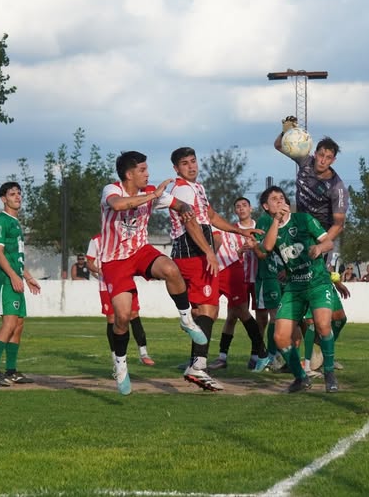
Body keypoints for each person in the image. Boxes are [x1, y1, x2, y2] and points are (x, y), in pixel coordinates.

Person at [100, 150, 207, 395]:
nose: (147, 174)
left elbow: (178, 203)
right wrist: (154, 195)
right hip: (114, 260)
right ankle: (120, 363)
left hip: (140, 251)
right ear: (129, 174)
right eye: (142, 170)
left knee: (171, 269)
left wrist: (184, 208)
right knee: (123, 318)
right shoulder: (111, 189)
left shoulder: (150, 192)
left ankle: (186, 319)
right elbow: (118, 205)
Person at [168, 147, 258, 392]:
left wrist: (238, 230)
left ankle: (197, 364)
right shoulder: (183, 188)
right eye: (185, 163)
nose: (191, 166)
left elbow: (210, 215)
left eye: (193, 161)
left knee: (201, 311)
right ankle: (197, 367)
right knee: (209, 309)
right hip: (193, 253)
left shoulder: (196, 187)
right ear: (176, 168)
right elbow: (191, 222)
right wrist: (209, 252)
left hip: (192, 252)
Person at [275, 117, 350, 373]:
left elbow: (338, 224)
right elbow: (279, 146)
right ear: (315, 152)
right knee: (307, 299)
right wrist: (286, 132)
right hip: (297, 233)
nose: (323, 160)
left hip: (319, 237)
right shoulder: (304, 161)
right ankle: (303, 358)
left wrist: (322, 245)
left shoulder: (337, 187)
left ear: (333, 160)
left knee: (329, 313)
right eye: (321, 154)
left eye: (329, 157)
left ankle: (313, 354)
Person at [256, 185, 338, 393]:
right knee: (280, 337)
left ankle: (329, 372)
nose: (280, 201)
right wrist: (276, 220)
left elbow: (329, 243)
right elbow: (266, 247)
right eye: (274, 199)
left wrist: (319, 248)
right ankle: (301, 378)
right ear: (266, 207)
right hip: (294, 287)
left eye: (282, 198)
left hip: (317, 282)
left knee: (322, 324)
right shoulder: (270, 228)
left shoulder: (303, 219)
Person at [0, 182, 42, 387]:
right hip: (5, 281)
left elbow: (14, 257)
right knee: (8, 324)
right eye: (12, 194)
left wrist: (27, 276)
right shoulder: (0, 221)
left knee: (18, 325)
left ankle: (12, 371)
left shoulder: (16, 223)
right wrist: (14, 277)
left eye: (19, 193)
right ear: (3, 199)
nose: (17, 197)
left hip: (15, 279)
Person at [208, 197, 268, 372]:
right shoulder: (230, 230)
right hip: (239, 277)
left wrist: (256, 247)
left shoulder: (260, 228)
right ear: (235, 211)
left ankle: (255, 355)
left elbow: (267, 250)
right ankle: (223, 357)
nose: (241, 209)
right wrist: (241, 251)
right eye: (238, 207)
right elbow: (229, 252)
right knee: (234, 315)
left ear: (251, 208)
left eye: (244, 205)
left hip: (258, 278)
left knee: (262, 318)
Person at [87, 233, 154, 367]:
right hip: (106, 286)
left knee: (133, 314)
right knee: (112, 318)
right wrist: (100, 271)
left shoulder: (124, 237)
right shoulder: (96, 240)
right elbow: (89, 263)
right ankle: (116, 357)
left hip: (125, 282)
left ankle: (143, 353)